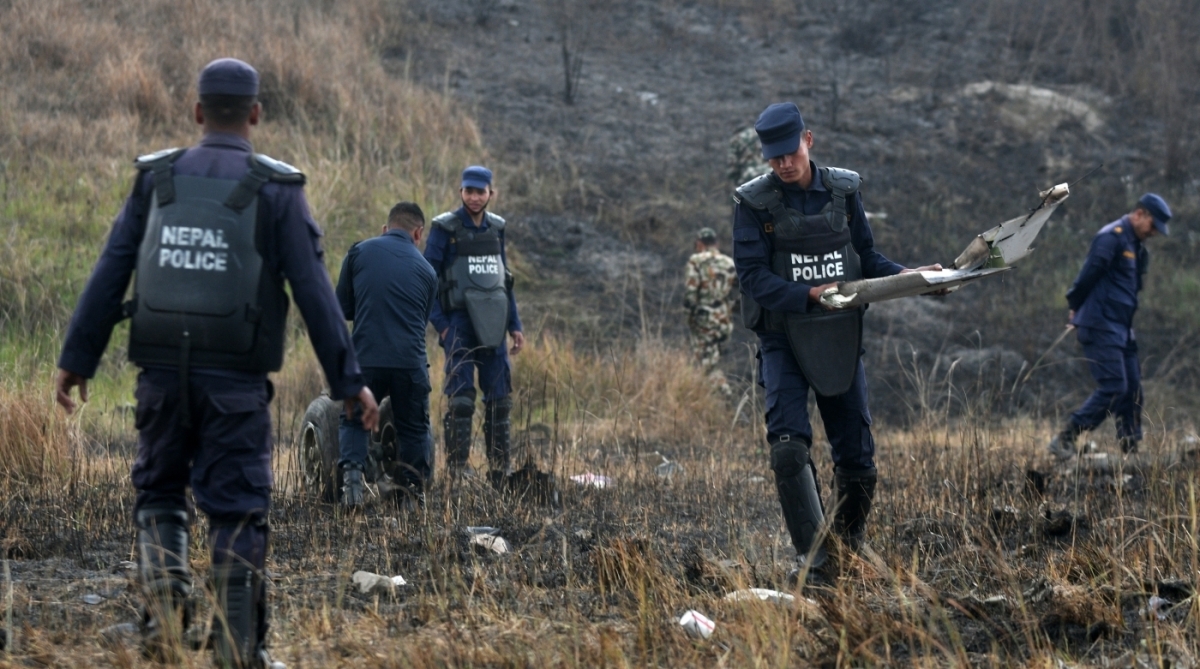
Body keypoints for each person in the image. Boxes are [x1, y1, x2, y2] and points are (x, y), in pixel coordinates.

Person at [54, 58, 378, 668]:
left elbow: (110, 271)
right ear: (255, 114)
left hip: (158, 381)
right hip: (235, 387)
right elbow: (314, 295)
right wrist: (349, 383)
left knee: (158, 491)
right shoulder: (277, 191)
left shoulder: (157, 179)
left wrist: (77, 359)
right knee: (236, 506)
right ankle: (236, 652)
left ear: (197, 112)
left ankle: (164, 626)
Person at [732, 102, 941, 585]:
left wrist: (915, 278)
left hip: (840, 331)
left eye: (789, 152)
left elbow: (866, 257)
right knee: (787, 448)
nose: (783, 164)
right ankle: (817, 566)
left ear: (808, 140)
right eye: (773, 157)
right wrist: (807, 294)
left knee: (857, 455)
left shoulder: (844, 192)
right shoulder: (753, 203)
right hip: (783, 336)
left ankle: (848, 547)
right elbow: (753, 278)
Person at [1048, 193, 1171, 459]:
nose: (1154, 233)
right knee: (1115, 387)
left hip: (1122, 329)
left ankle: (1130, 449)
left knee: (1133, 388)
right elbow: (1087, 275)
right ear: (1140, 214)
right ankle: (1066, 438)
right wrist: (1075, 305)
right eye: (1152, 226)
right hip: (1100, 323)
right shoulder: (1111, 237)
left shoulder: (1137, 247)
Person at [424, 166, 525, 478]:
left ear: (490, 193)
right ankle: (457, 470)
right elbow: (426, 277)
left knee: (500, 401)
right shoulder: (445, 228)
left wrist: (515, 325)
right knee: (462, 400)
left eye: (480, 192)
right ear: (461, 192)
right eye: (469, 191)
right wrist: (441, 325)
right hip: (458, 323)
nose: (474, 197)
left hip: (494, 325)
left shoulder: (497, 228)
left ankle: (500, 470)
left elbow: (503, 282)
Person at [335, 202, 438, 508]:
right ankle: (410, 494)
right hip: (410, 361)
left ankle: (352, 487)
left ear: (385, 228)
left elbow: (343, 308)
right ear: (418, 234)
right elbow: (421, 320)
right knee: (415, 427)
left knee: (353, 421)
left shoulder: (359, 252)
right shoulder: (428, 271)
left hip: (366, 356)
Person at [683, 227, 738, 396]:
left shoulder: (696, 261)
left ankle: (724, 396)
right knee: (711, 361)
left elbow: (691, 293)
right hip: (724, 321)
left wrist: (689, 317)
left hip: (704, 320)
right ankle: (711, 399)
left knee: (706, 364)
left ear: (699, 243)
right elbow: (740, 291)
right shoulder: (729, 263)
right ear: (716, 243)